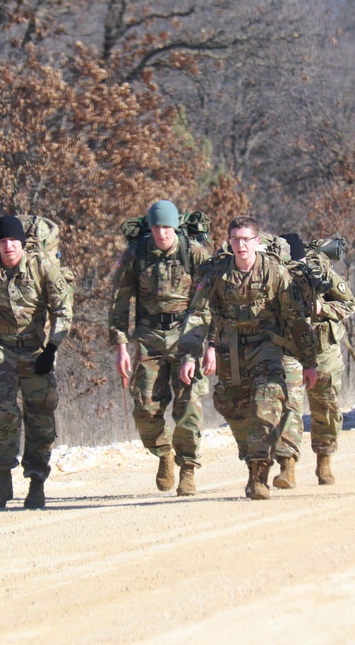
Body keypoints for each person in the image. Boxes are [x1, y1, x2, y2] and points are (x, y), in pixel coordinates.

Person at [178, 216, 318, 500]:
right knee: (232, 407)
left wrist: (309, 360)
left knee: (265, 404)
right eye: (235, 240)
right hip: (230, 351)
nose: (241, 245)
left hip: (267, 346)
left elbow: (295, 319)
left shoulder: (275, 273)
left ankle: (258, 476)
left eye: (246, 239)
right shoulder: (215, 273)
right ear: (229, 242)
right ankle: (252, 454)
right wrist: (190, 354)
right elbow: (199, 315)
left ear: (257, 241)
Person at [0, 215, 73, 509]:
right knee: (1, 414)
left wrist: (52, 348)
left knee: (40, 416)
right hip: (3, 349)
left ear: (22, 243)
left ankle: (36, 482)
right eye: (3, 241)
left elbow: (63, 309)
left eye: (13, 241)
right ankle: (3, 480)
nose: (9, 246)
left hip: (37, 350)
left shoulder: (42, 268)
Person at [109, 200, 212, 496]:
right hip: (148, 336)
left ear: (175, 227)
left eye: (166, 226)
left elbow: (208, 301)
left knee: (189, 405)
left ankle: (188, 469)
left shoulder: (193, 253)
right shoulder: (136, 255)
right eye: (156, 227)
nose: (161, 232)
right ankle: (164, 453)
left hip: (186, 334)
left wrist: (208, 343)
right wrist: (121, 346)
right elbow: (119, 302)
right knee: (144, 408)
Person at [274, 233, 355, 488]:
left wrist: (323, 309)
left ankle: (324, 459)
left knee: (326, 409)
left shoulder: (319, 269)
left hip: (323, 350)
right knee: (289, 407)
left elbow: (349, 305)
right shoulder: (273, 273)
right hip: (290, 350)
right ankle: (287, 467)